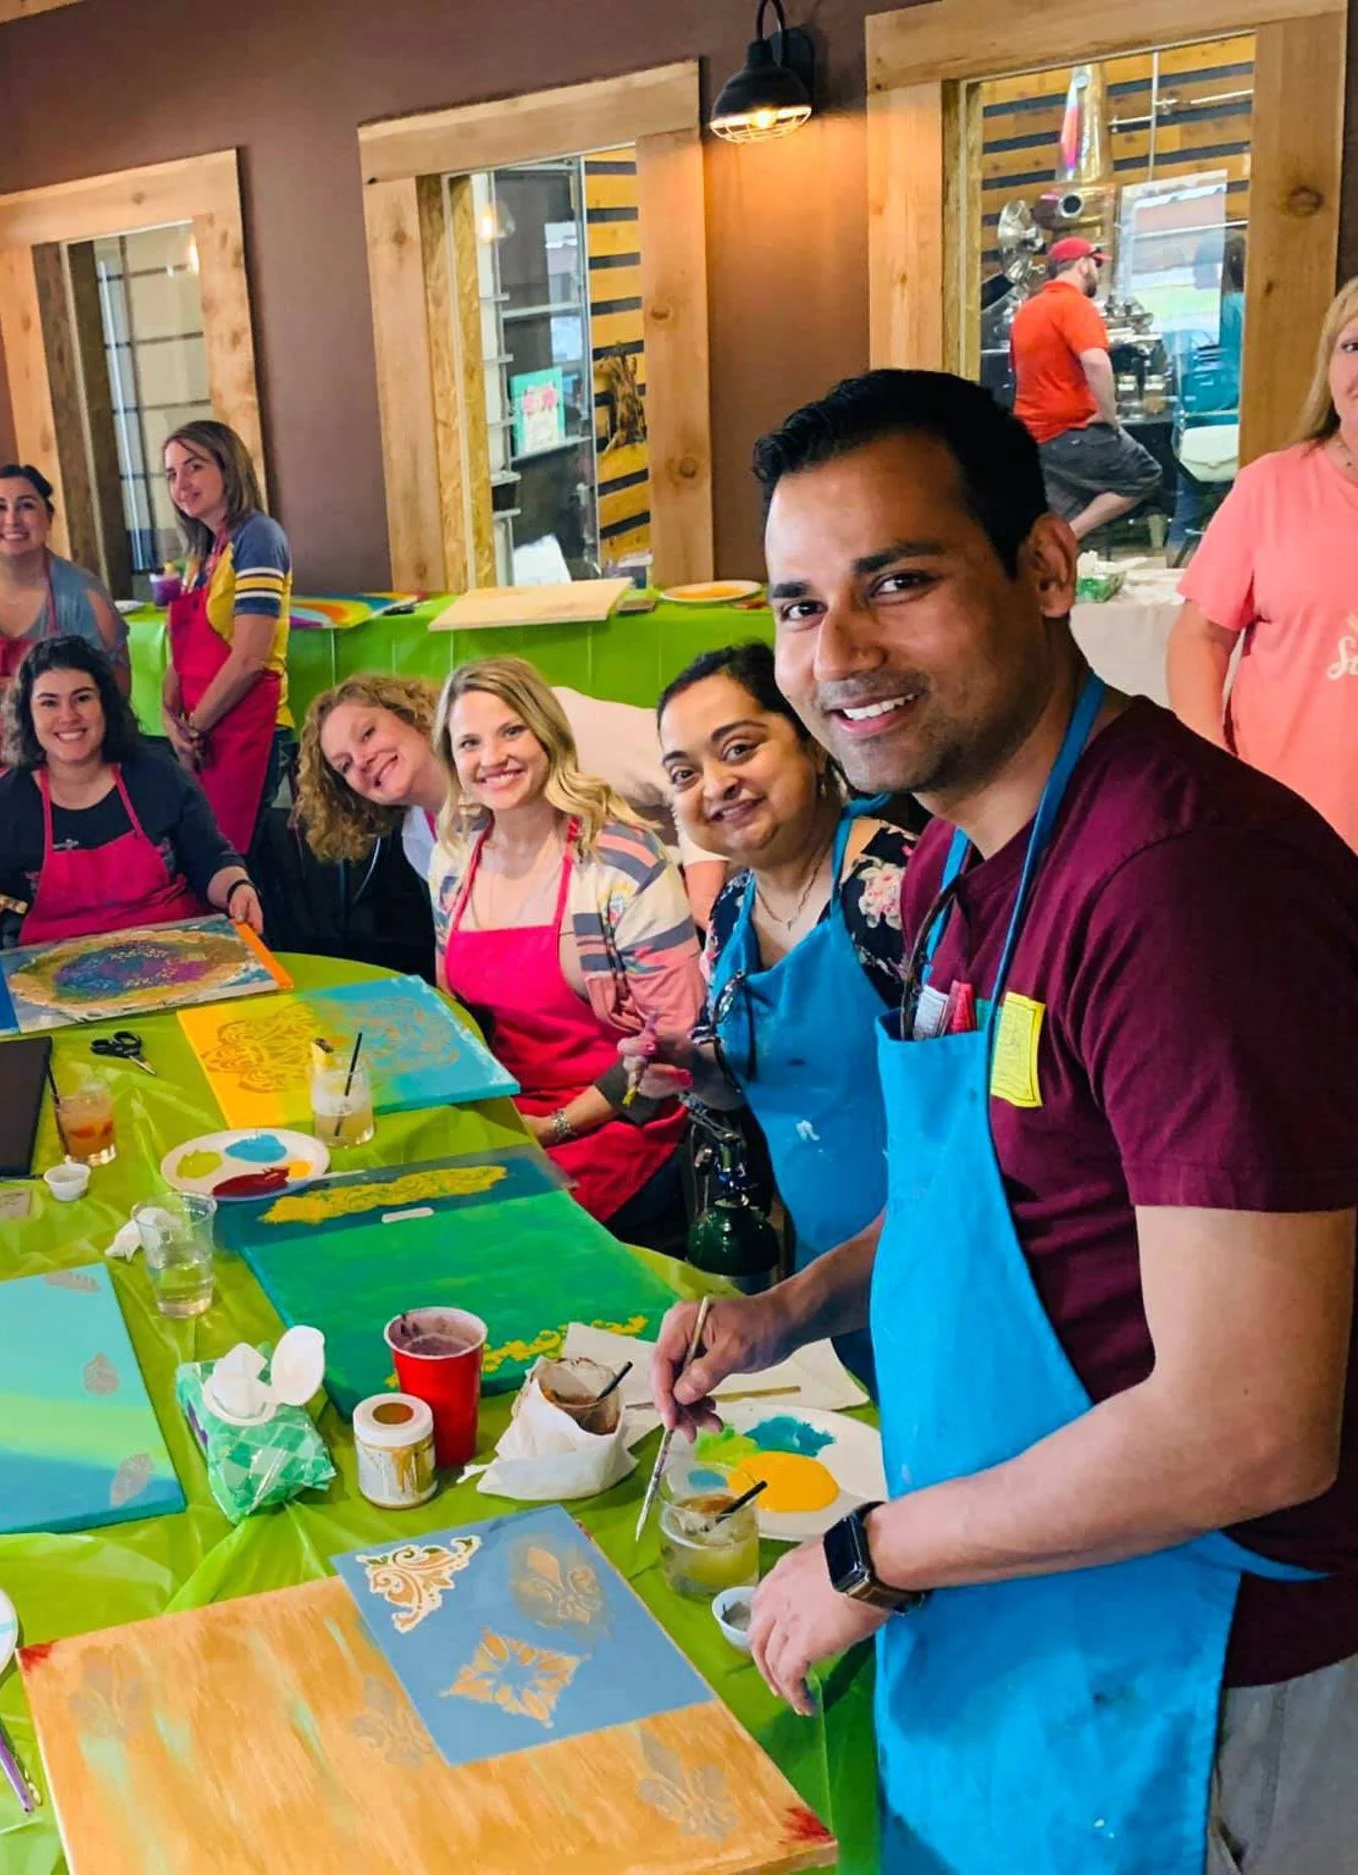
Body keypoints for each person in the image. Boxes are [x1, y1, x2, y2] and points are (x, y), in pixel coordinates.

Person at [650, 369, 1358, 1873]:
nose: (837, 654)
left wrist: (872, 1553)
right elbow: (1000, 1203)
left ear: (1044, 568)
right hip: (1026, 1591)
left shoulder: (1185, 886)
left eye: (896, 582)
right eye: (797, 606)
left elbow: (1250, 1425)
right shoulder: (956, 868)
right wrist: (790, 1306)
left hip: (1214, 1672)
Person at [638, 641, 920, 1386]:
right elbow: (745, 1085)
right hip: (822, 1283)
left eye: (739, 748)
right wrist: (692, 1068)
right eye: (684, 773)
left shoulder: (894, 890)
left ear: (812, 738)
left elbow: (977, 1136)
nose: (715, 784)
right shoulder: (732, 910)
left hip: (936, 1270)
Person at [430, 659, 703, 1246]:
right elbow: (454, 1015)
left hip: (621, 1118)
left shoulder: (621, 862)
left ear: (547, 734)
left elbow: (675, 1043)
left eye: (512, 731)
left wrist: (552, 1127)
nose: (492, 757)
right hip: (508, 1110)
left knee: (507, 1245)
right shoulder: (453, 860)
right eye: (469, 742)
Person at [1169, 275, 1358, 849]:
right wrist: (1213, 772)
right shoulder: (1271, 488)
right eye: (1353, 345)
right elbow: (1199, 639)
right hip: (1284, 839)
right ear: (1329, 365)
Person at [302, 672, 730, 918]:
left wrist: (703, 907)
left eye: (368, 733)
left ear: (408, 714)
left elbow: (694, 770)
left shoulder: (550, 724)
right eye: (344, 765)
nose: (362, 760)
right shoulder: (422, 843)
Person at [0, 637, 261, 952]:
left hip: (179, 955)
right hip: (55, 972)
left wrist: (237, 887)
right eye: (49, 703)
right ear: (27, 714)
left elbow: (210, 858)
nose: (68, 716)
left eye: (82, 698)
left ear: (105, 705)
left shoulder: (158, 775)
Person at [0, 464, 128, 772]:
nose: (12, 519)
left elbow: (117, 689)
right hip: (2, 758)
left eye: (26, 505)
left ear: (48, 518)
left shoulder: (84, 595)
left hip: (75, 753)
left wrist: (28, 692)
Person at [161, 420, 289, 855]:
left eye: (194, 467)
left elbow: (250, 659)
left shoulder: (259, 538)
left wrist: (194, 727)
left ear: (229, 468)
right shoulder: (202, 553)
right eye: (171, 474)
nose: (181, 484)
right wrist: (170, 718)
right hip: (206, 730)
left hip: (251, 725)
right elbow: (181, 656)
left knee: (241, 862)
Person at [1010, 238, 1164, 540]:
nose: (1097, 271)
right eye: (1095, 264)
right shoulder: (1074, 304)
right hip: (1072, 429)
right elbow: (1095, 361)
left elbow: (1022, 372)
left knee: (1056, 515)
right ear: (1082, 264)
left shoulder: (1027, 311)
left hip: (1034, 435)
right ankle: (1070, 535)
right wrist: (1109, 414)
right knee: (1144, 474)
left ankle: (1055, 550)